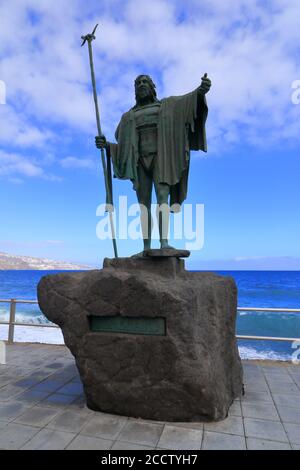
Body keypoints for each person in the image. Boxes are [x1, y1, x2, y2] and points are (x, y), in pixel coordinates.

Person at [96, 73, 211, 252]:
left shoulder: (166, 106)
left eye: (145, 82)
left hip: (161, 158)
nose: (141, 85)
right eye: (138, 83)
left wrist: (200, 92)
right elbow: (123, 144)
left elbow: (187, 102)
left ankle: (164, 243)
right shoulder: (128, 116)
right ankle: (147, 247)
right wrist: (108, 146)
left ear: (152, 87)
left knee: (162, 199)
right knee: (143, 206)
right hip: (139, 161)